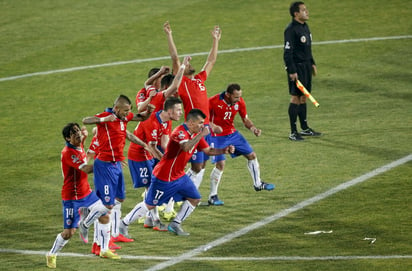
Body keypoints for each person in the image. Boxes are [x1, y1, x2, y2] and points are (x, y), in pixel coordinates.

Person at [119, 109, 234, 237]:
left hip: (179, 175)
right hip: (164, 176)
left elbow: (208, 150)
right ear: (191, 123)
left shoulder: (195, 134)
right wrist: (201, 135)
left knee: (195, 198)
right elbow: (185, 147)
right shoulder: (180, 132)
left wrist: (224, 150)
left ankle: (175, 224)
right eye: (200, 123)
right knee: (150, 204)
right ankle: (123, 223)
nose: (203, 126)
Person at [81, 95, 155, 259]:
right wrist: (103, 120)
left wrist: (144, 142)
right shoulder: (106, 117)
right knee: (106, 207)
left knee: (119, 199)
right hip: (105, 167)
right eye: (126, 110)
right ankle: (98, 240)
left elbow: (140, 119)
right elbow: (86, 120)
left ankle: (102, 241)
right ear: (116, 108)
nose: (128, 113)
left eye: (129, 110)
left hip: (116, 165)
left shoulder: (124, 117)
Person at [163, 21, 222, 189]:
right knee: (195, 166)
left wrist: (215, 40)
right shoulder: (181, 83)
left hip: (205, 127)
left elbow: (211, 60)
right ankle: (176, 189)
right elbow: (174, 58)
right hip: (193, 128)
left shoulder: (199, 79)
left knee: (201, 166)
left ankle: (182, 189)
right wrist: (169, 35)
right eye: (187, 64)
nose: (189, 64)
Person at [46, 123, 113, 269]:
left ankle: (104, 249)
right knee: (69, 233)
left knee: (105, 215)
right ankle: (51, 254)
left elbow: (86, 156)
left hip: (87, 193)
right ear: (67, 138)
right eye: (73, 132)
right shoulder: (68, 152)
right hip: (72, 198)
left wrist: (86, 136)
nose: (77, 133)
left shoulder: (78, 144)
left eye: (77, 130)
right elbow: (86, 169)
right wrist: (107, 164)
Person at [124, 96, 184, 233]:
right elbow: (151, 147)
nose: (181, 113)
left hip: (149, 155)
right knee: (151, 186)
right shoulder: (152, 122)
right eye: (178, 110)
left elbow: (164, 144)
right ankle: (154, 221)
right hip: (138, 156)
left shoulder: (166, 121)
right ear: (169, 111)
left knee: (153, 186)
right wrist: (166, 163)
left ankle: (149, 219)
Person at [208, 84, 275, 205]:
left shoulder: (239, 102)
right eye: (236, 97)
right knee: (220, 164)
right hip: (216, 136)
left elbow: (245, 119)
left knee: (252, 155)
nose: (238, 99)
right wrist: (213, 127)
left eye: (240, 97)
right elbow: (204, 118)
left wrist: (253, 128)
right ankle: (213, 196)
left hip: (232, 134)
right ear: (228, 95)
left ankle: (258, 184)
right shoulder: (213, 101)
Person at [283, 1, 321, 141]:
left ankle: (304, 128)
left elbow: (307, 48)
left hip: (305, 66)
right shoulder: (291, 30)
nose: (307, 12)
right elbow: (287, 52)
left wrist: (312, 63)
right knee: (295, 98)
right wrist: (292, 71)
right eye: (304, 10)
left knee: (304, 97)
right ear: (296, 14)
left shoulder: (305, 26)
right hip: (296, 68)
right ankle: (293, 132)